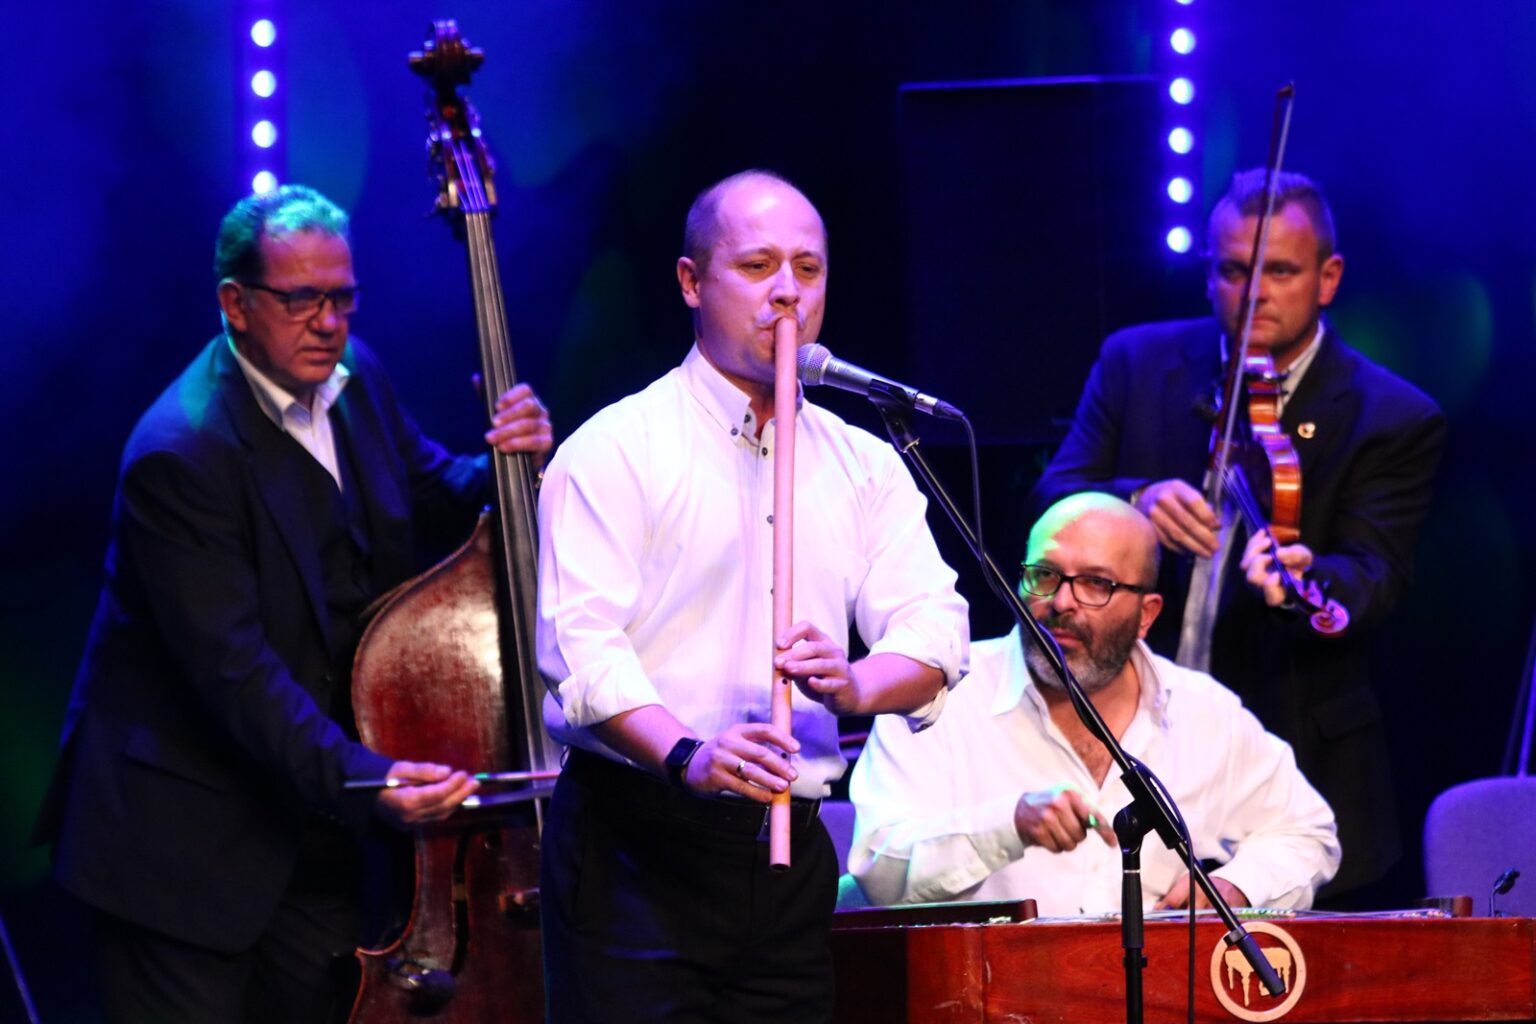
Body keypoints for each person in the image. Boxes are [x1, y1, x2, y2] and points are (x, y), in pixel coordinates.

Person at [32, 184, 553, 1023]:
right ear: (235, 305)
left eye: (343, 297)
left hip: (306, 826)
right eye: (301, 299)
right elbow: (234, 673)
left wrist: (516, 463)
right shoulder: (180, 454)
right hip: (178, 852)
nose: (327, 321)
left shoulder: (356, 378)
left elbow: (430, 492)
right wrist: (369, 777)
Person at [535, 169, 969, 1023]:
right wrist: (689, 754)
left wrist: (855, 684)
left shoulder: (863, 462)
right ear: (692, 282)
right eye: (758, 266)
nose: (787, 293)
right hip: (639, 844)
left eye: (808, 269)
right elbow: (582, 655)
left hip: (787, 855)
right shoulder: (617, 448)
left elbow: (936, 631)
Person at [1028, 170, 1444, 899]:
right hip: (1137, 732)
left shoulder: (1391, 415)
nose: (1254, 294)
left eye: (1280, 271)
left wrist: (1304, 581)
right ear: (1208, 274)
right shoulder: (1135, 363)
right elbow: (1053, 492)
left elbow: (1374, 577)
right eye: (1233, 271)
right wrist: (1135, 497)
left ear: (1328, 278)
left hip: (1297, 742)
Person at [849, 493, 1339, 914]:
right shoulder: (940, 697)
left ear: (1147, 615)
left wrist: (1235, 887)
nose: (1062, 602)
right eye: (1044, 574)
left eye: (1096, 584)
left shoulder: (1203, 713)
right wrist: (1007, 825)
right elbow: (876, 870)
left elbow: (1307, 833)